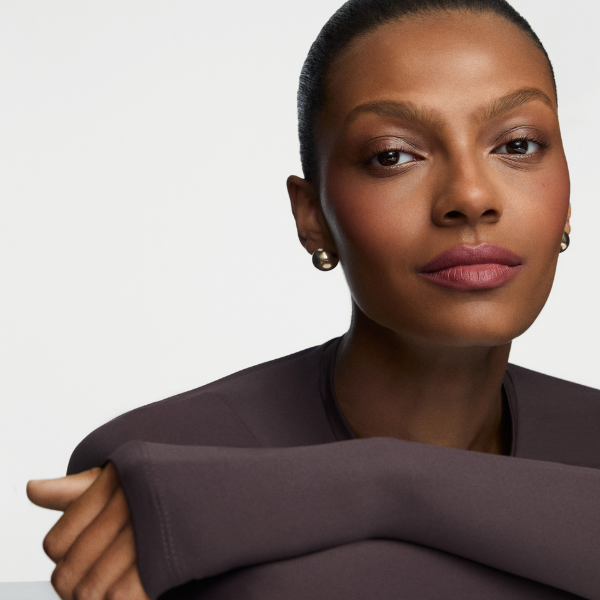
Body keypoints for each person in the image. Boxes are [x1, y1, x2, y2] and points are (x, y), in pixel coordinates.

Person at [26, 0, 600, 598]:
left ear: (568, 197)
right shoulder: (162, 458)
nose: (471, 197)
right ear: (312, 217)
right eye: (392, 155)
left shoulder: (195, 491)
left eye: (519, 145)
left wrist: (380, 480)